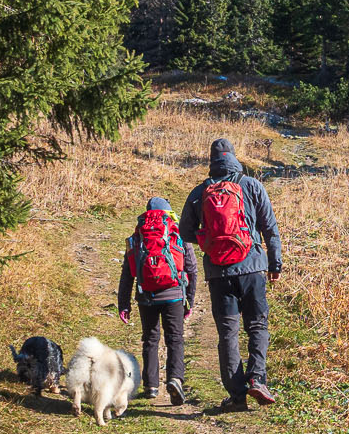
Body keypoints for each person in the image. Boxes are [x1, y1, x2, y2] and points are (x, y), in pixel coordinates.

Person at [178, 138, 284, 408]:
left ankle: (237, 396)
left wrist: (208, 239)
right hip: (253, 269)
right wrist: (275, 264)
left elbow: (185, 232)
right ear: (235, 158)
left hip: (219, 272)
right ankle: (258, 379)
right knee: (257, 325)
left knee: (228, 333)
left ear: (211, 161)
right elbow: (270, 228)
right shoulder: (251, 185)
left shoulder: (200, 192)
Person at [116, 196, 199, 405]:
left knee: (150, 339)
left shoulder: (137, 236)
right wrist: (189, 299)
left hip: (146, 295)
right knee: (175, 339)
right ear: (169, 213)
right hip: (174, 294)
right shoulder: (177, 233)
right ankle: (175, 378)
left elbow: (127, 274)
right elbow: (192, 269)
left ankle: (151, 385)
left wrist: (123, 304)